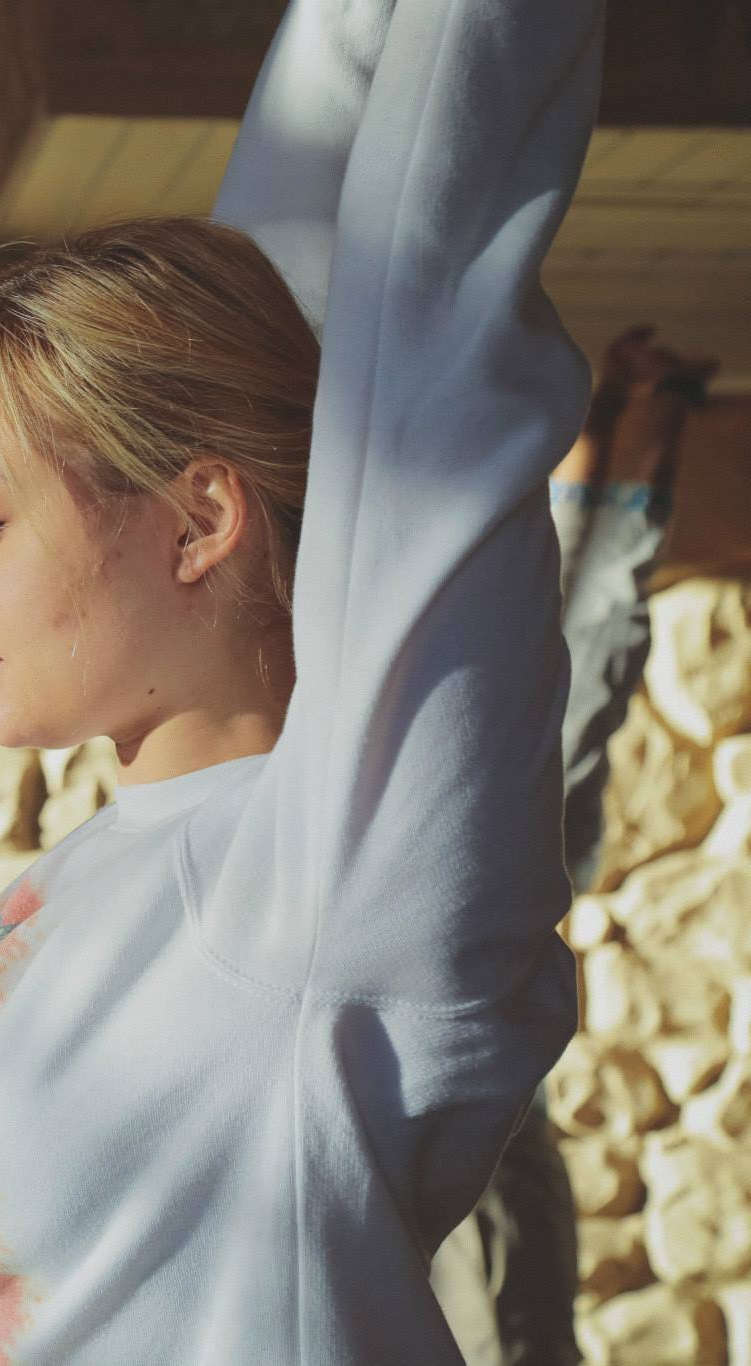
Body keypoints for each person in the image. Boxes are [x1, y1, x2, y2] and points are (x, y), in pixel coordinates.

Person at [0, 0, 603, 1358]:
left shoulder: (336, 882)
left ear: (201, 521)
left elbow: (423, 313)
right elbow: (277, 312)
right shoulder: (131, 850)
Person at [432, 326, 719, 1366]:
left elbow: (591, 618)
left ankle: (642, 407)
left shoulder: (502, 776)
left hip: (475, 1141)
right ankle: (640, 407)